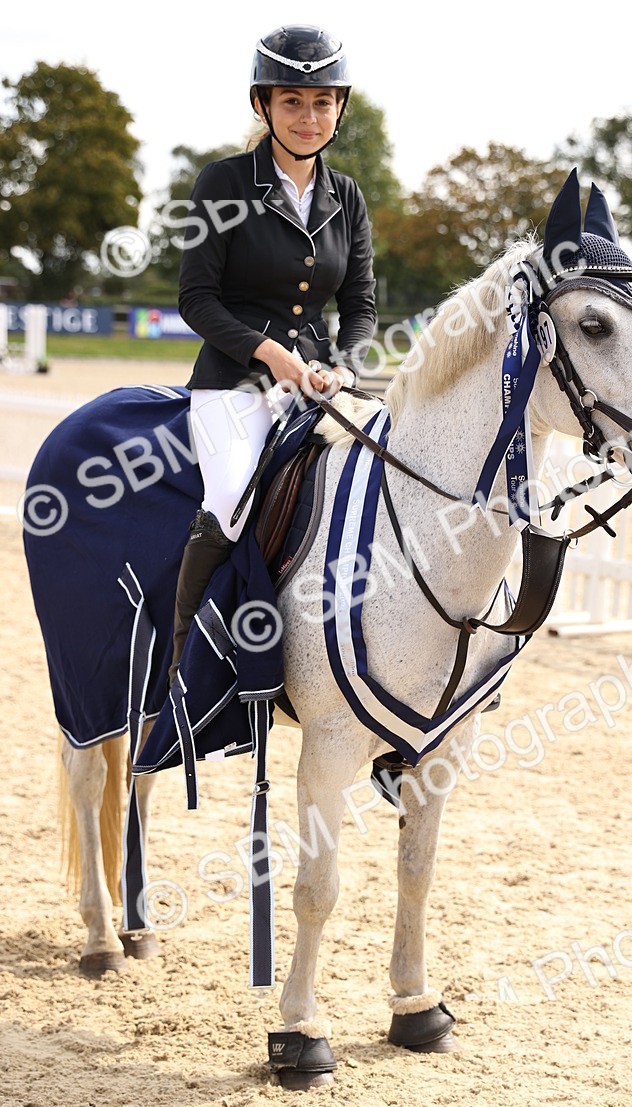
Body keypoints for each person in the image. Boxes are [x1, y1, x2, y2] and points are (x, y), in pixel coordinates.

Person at [169, 24, 377, 684]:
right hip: (234, 383)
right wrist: (270, 355)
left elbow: (363, 308)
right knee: (230, 495)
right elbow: (197, 300)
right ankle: (182, 656)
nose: (309, 117)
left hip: (319, 380)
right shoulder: (223, 183)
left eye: (322, 103)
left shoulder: (347, 197)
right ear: (262, 105)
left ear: (340, 108)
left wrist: (343, 363)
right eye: (292, 101)